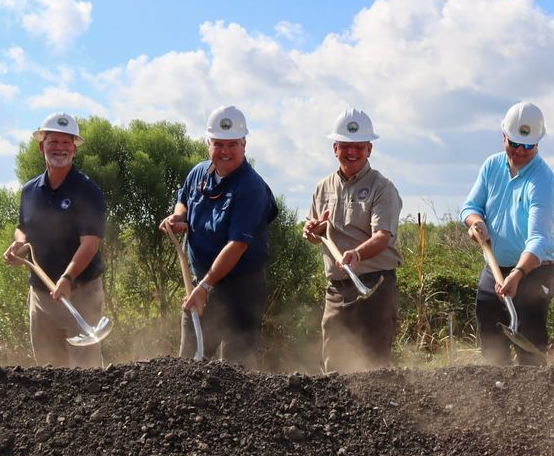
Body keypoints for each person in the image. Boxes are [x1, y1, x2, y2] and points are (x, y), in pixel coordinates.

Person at [160, 105, 278, 368]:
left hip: (241, 288)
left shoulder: (251, 188)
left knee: (236, 371)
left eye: (232, 144)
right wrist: (179, 216)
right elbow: (183, 201)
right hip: (201, 281)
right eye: (218, 144)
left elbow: (237, 245)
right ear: (208, 143)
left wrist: (205, 288)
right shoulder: (199, 173)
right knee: (188, 363)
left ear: (244, 144)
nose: (225, 151)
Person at [3, 113, 108, 367]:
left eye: (65, 142)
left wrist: (67, 278)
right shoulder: (29, 191)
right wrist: (19, 244)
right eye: (53, 142)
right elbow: (22, 228)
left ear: (74, 149)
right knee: (49, 373)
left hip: (81, 292)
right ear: (42, 147)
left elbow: (90, 243)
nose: (59, 148)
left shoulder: (88, 191)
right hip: (41, 297)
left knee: (86, 372)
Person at [302, 109, 403, 373]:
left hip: (375, 287)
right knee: (334, 365)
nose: (352, 152)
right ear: (335, 147)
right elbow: (318, 235)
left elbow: (382, 237)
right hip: (337, 290)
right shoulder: (322, 188)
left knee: (375, 365)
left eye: (359, 146)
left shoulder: (383, 188)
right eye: (346, 146)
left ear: (369, 149)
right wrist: (313, 232)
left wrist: (356, 254)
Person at [460, 101, 554, 365]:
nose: (520, 151)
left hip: (533, 271)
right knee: (491, 339)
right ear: (504, 136)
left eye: (528, 146)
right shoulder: (492, 166)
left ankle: (536, 396)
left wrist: (517, 274)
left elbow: (538, 239)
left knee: (531, 342)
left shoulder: (543, 181)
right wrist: (475, 223)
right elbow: (470, 206)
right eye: (514, 143)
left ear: (537, 144)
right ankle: (496, 393)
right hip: (494, 267)